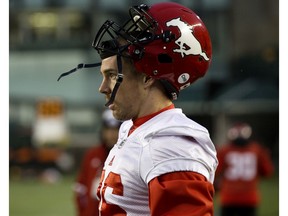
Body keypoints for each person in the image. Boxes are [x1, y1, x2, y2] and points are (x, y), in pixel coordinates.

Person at [59, 2, 218, 215]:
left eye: (113, 76)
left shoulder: (171, 145)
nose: (103, 88)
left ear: (147, 77)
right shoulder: (133, 128)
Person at [215, 123, 274, 216]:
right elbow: (267, 172)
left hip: (228, 196)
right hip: (249, 197)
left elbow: (216, 172)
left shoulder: (224, 151)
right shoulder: (257, 150)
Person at [73, 109, 121, 216]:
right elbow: (80, 187)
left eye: (115, 130)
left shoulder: (127, 155)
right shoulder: (92, 155)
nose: (111, 135)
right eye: (108, 130)